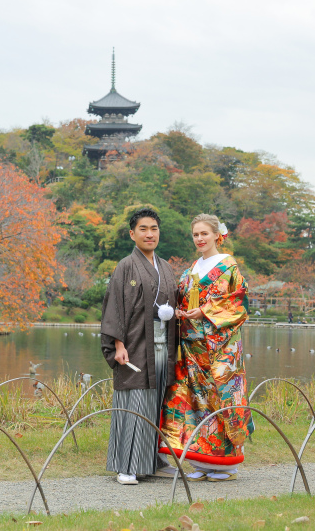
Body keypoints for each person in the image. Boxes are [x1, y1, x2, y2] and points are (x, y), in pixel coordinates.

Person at [161, 213, 254, 482]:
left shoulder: (228, 266)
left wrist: (204, 312)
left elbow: (239, 302)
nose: (199, 239)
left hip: (220, 344)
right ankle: (202, 460)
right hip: (193, 345)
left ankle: (226, 464)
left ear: (217, 235)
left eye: (204, 234)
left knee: (222, 396)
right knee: (197, 400)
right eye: (195, 235)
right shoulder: (192, 269)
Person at [100, 208, 179, 485]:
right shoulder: (126, 265)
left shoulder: (167, 267)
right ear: (132, 234)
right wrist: (117, 344)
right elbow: (115, 306)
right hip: (134, 346)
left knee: (154, 405)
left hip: (161, 346)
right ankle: (126, 466)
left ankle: (152, 462)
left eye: (154, 228)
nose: (149, 234)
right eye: (143, 229)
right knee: (133, 403)